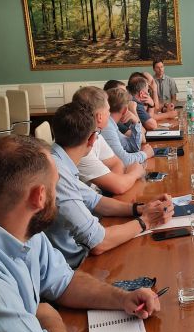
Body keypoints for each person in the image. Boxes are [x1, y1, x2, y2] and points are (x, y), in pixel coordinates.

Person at [0, 135, 161, 332]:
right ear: (39, 196)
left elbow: (64, 281)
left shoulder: (19, 225)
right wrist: (48, 317)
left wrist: (121, 298)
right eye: (56, 186)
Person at [46, 102, 172, 268]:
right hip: (75, 265)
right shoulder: (57, 172)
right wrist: (146, 221)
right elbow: (98, 242)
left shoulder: (57, 159)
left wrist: (141, 208)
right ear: (92, 139)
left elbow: (95, 201)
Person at [73, 86, 145, 194]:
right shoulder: (79, 145)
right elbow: (119, 186)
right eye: (108, 110)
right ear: (99, 117)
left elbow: (117, 163)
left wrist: (116, 181)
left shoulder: (96, 134)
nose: (109, 114)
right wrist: (135, 173)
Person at [102, 87, 155, 166]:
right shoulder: (107, 127)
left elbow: (132, 147)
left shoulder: (111, 124)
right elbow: (124, 161)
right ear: (125, 110)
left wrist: (136, 123)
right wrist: (145, 154)